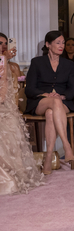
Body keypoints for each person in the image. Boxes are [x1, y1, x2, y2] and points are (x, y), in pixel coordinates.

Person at [25, 31, 74, 174]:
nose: (62, 46)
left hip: (63, 102)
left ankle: (48, 157)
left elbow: (73, 90)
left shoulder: (69, 65)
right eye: (58, 43)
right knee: (52, 104)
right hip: (40, 101)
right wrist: (45, 94)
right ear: (48, 45)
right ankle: (67, 146)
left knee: (51, 113)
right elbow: (29, 89)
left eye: (63, 43)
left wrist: (61, 96)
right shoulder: (37, 62)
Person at [0, 47, 44, 195]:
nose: (2, 47)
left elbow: (3, 90)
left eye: (4, 44)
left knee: (8, 124)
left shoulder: (3, 61)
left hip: (2, 105)